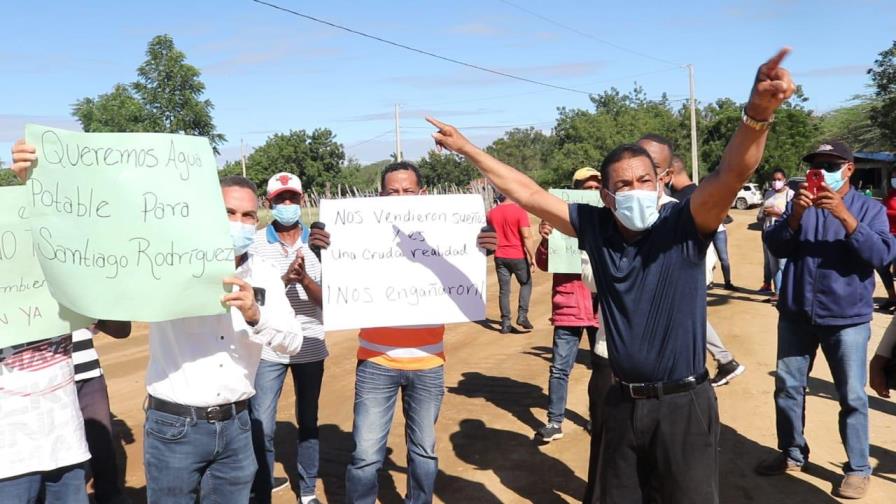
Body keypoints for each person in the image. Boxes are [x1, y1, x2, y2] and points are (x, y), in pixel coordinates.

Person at [429, 48, 796, 503]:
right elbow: (527, 192)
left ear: (660, 183)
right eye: (623, 185)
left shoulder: (685, 224)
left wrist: (758, 113)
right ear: (606, 194)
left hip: (685, 406)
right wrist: (466, 148)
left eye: (645, 180)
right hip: (621, 403)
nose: (637, 191)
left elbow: (732, 171)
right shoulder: (596, 228)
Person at [758, 140, 896, 499]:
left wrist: (844, 216)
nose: (823, 171)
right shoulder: (799, 204)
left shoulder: (869, 209)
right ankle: (791, 453)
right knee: (788, 388)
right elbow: (776, 247)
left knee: (852, 396)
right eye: (817, 165)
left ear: (849, 169)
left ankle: (858, 468)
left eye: (832, 165)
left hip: (847, 320)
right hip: (796, 316)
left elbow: (882, 253)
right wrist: (795, 217)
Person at [641, 142, 746, 387]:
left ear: (669, 174)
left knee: (687, 318)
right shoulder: (693, 194)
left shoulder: (684, 201)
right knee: (691, 317)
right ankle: (724, 359)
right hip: (694, 270)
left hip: (687, 271)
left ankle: (722, 360)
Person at [249, 173, 326, 504]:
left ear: (302, 199)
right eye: (281, 200)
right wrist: (284, 279)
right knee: (262, 423)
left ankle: (307, 491)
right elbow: (252, 301)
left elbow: (334, 300)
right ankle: (263, 486)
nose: (287, 205)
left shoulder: (322, 243)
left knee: (308, 420)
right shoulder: (253, 244)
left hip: (311, 343)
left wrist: (305, 279)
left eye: (292, 199)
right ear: (270, 204)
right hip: (268, 347)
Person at [533, 167, 601, 443]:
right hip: (568, 308)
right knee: (560, 368)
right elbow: (544, 264)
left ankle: (599, 419)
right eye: (587, 189)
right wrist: (546, 240)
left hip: (601, 309)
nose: (593, 193)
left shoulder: (611, 223)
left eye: (597, 189)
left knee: (604, 368)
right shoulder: (558, 223)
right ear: (573, 192)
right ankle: (554, 422)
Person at [73, 323, 132, 504]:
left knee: (102, 443)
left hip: (88, 371)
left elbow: (118, 329)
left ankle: (110, 496)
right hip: (36, 379)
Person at [668, 156, 735, 290]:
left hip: (717, 231)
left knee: (721, 258)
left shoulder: (692, 197)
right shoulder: (677, 197)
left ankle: (727, 282)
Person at [487, 192, 535, 333]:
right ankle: (522, 315)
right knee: (526, 283)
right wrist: (532, 257)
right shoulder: (520, 211)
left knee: (504, 290)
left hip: (500, 255)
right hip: (517, 255)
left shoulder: (491, 213)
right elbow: (526, 236)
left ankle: (505, 322)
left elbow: (488, 234)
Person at [757, 168, 793, 300]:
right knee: (773, 265)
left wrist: (778, 213)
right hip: (768, 232)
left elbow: (793, 215)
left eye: (779, 179)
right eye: (774, 179)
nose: (776, 182)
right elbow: (760, 215)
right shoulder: (768, 194)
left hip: (783, 233)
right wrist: (764, 213)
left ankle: (787, 293)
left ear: (785, 180)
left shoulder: (790, 194)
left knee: (783, 264)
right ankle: (778, 293)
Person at [875, 167, 896, 311]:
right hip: (888, 236)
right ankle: (892, 298)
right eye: (894, 177)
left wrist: (885, 210)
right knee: (882, 267)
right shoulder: (890, 194)